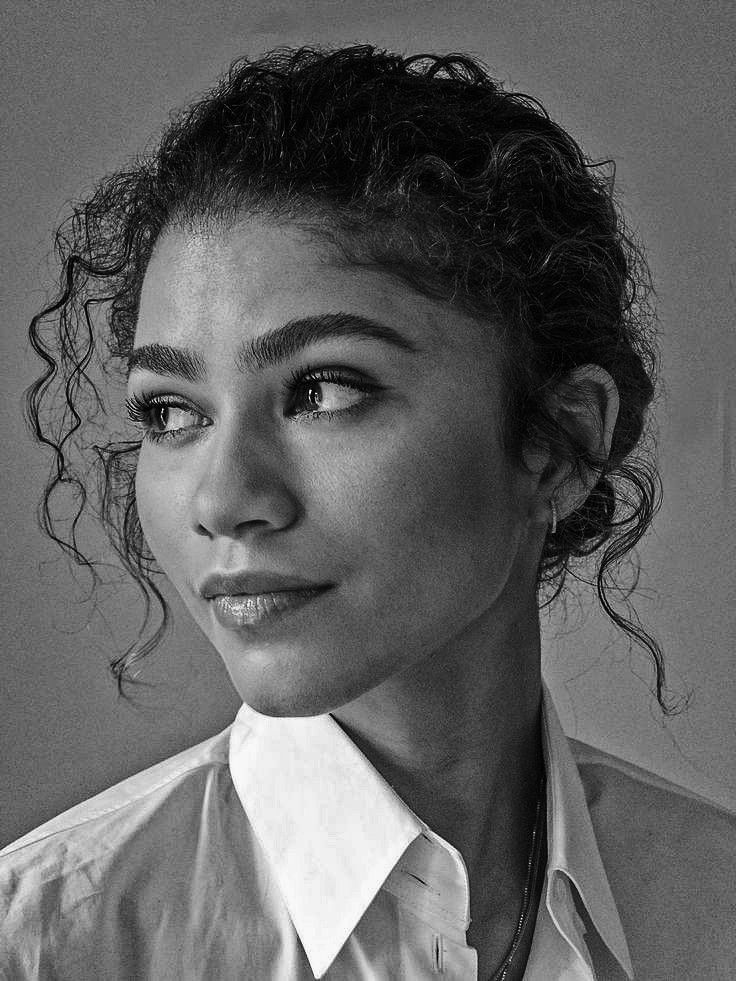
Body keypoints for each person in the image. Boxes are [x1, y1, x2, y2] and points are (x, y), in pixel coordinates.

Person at [1, 44, 734, 980]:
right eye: (171, 412)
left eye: (325, 389)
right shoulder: (46, 943)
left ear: (558, 439)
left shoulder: (715, 907)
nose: (225, 501)